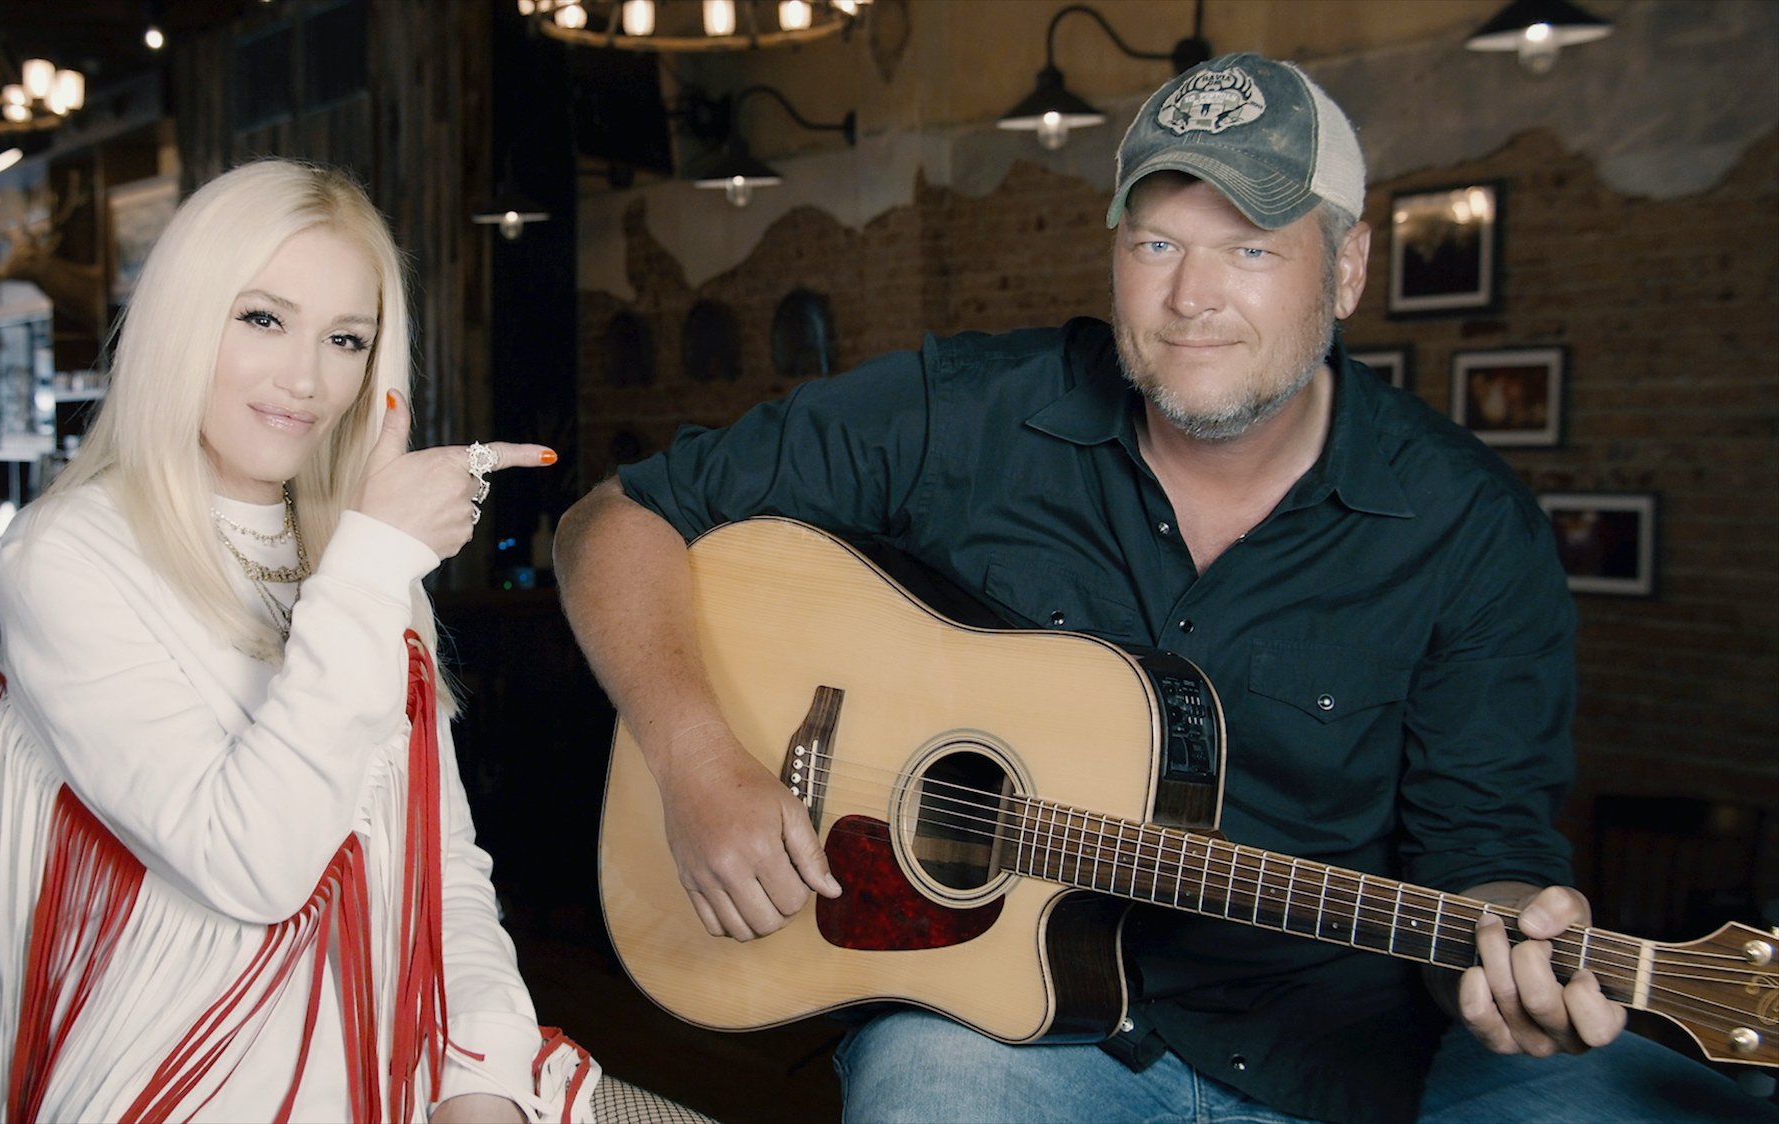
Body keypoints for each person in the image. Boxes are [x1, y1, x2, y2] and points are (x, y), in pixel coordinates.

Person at [553, 54, 1766, 1123]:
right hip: (1006, 1025)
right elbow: (614, 521)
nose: (1191, 298)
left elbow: (1483, 850)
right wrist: (695, 751)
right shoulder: (964, 408)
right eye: (1156, 242)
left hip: (1335, 1057)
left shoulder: (1467, 530)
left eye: (1248, 246)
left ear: (1343, 269)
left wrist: (1504, 956)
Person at [0, 159, 590, 1122]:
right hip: (186, 1078)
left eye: (345, 339)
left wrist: (487, 1074)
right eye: (262, 319)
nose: (306, 379)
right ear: (184, 316)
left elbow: (442, 864)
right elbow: (255, 867)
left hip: (398, 1059)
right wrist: (373, 566)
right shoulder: (67, 555)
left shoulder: (354, 551)